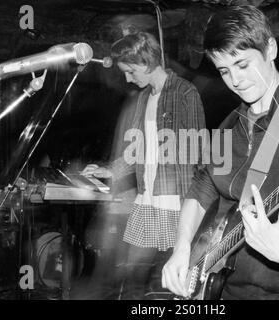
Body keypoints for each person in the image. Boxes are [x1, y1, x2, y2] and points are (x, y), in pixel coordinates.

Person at [162, 5, 279, 300]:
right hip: (222, 284)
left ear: (270, 49)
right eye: (224, 71)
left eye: (242, 64)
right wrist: (182, 248)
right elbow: (203, 186)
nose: (235, 81)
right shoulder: (230, 124)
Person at [82, 31, 205, 299]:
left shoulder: (185, 92)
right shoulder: (144, 98)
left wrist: (193, 204)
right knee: (135, 275)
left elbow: (196, 154)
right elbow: (137, 148)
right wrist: (109, 170)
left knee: (169, 280)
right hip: (148, 199)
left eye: (130, 70)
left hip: (175, 203)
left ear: (147, 61)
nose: (127, 78)